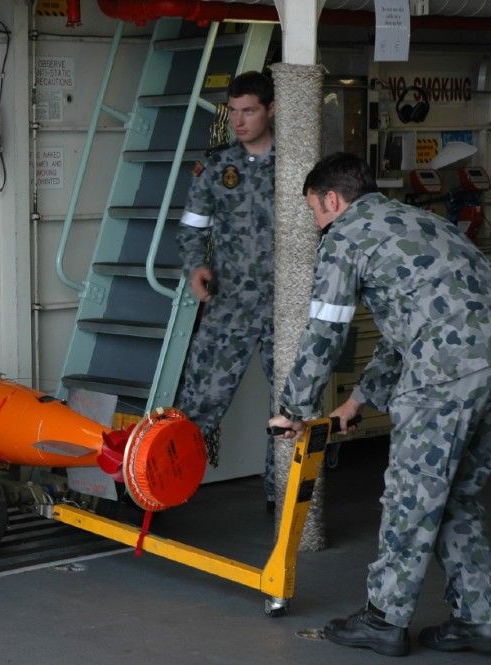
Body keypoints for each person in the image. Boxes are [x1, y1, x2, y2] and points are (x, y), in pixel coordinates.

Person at [269, 152, 491, 656]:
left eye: (315, 212)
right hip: (481, 371)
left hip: (444, 375)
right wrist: (358, 400)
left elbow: (325, 331)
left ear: (332, 199)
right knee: (455, 496)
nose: (318, 224)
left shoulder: (346, 236)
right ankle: (479, 617)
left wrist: (293, 409)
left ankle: (384, 618)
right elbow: (405, 329)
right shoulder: (421, 222)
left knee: (411, 496)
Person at [174, 70, 277, 509]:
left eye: (248, 111)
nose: (238, 121)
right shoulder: (217, 167)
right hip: (230, 303)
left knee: (291, 407)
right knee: (200, 399)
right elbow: (192, 228)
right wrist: (195, 266)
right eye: (233, 111)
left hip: (286, 305)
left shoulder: (297, 165)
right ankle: (166, 486)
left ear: (270, 110)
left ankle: (282, 495)